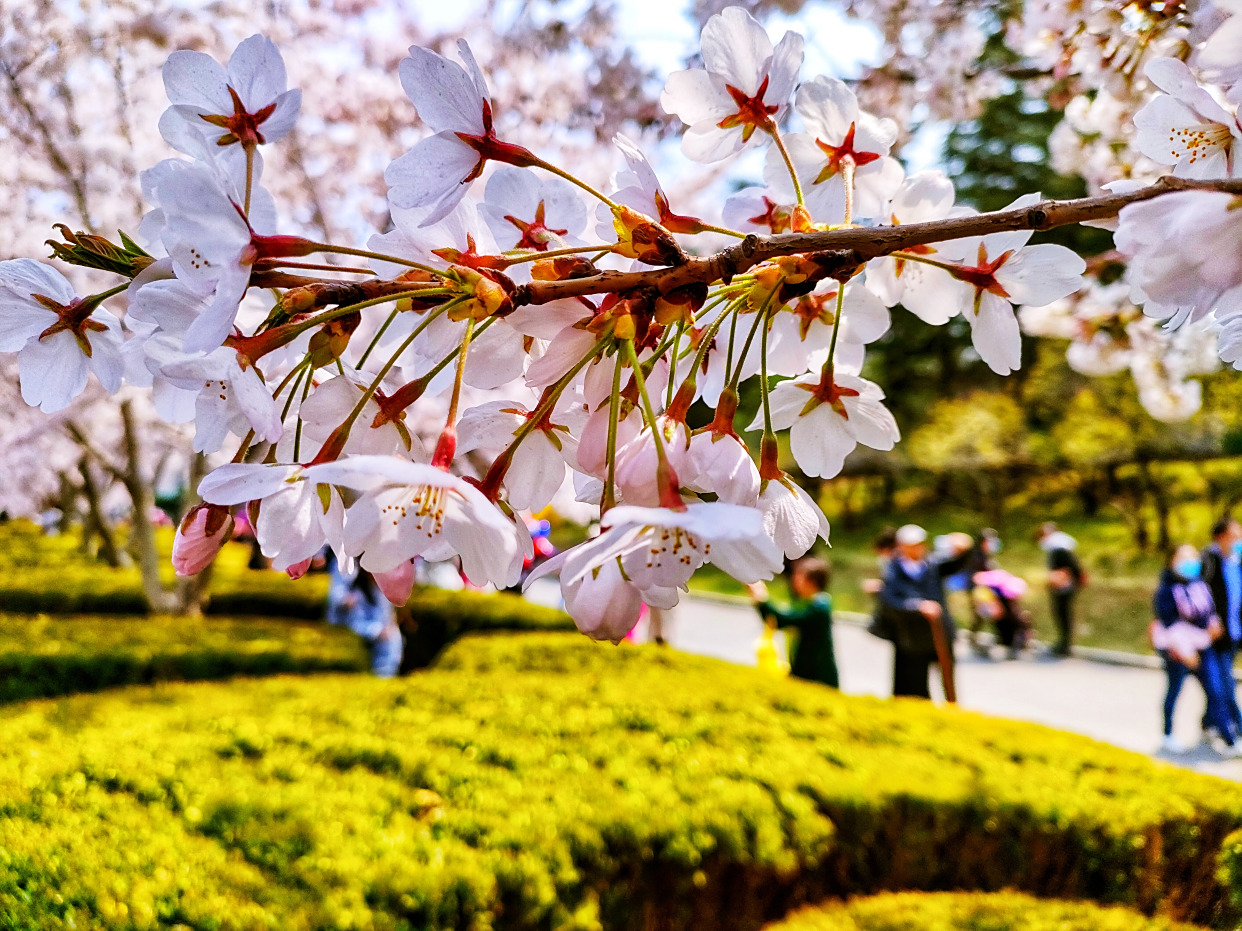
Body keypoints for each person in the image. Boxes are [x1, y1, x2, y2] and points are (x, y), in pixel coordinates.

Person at [1152, 544, 1238, 755]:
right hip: (1179, 652)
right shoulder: (1167, 590)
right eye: (1184, 557)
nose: (1190, 562)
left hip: (1203, 646)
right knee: (1175, 692)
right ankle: (1168, 734)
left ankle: (1227, 737)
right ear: (1172, 561)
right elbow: (1171, 625)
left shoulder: (1199, 585)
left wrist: (1213, 625)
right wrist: (1186, 652)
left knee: (1216, 691)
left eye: (1193, 556)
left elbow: (1208, 612)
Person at [879, 524, 973, 699]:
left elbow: (957, 563)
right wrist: (918, 606)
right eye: (912, 544)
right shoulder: (894, 568)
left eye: (920, 543)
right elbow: (890, 600)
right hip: (911, 636)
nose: (917, 548)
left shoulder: (933, 564)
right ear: (902, 545)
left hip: (939, 631)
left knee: (947, 678)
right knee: (913, 684)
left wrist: (965, 548)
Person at [746, 557, 838, 688]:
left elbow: (782, 620)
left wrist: (761, 598)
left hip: (818, 679)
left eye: (799, 576)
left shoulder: (819, 607)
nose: (794, 580)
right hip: (806, 675)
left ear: (811, 581)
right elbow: (780, 619)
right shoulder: (808, 602)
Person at [326, 551, 404, 678]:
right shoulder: (358, 594)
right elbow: (356, 623)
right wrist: (378, 632)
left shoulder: (380, 592)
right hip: (368, 642)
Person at [1201, 517, 1242, 738]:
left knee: (1219, 683)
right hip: (1215, 635)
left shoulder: (1236, 561)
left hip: (1234, 633)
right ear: (1221, 537)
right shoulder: (1208, 561)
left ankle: (1209, 722)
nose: (1239, 540)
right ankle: (1234, 731)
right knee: (1225, 684)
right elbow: (1200, 595)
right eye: (1234, 535)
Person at [1037, 522, 1083, 656]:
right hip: (1062, 586)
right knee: (1061, 614)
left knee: (1063, 614)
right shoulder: (1058, 548)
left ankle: (1065, 644)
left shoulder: (1059, 548)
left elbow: (1073, 568)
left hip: (1065, 586)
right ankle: (1064, 643)